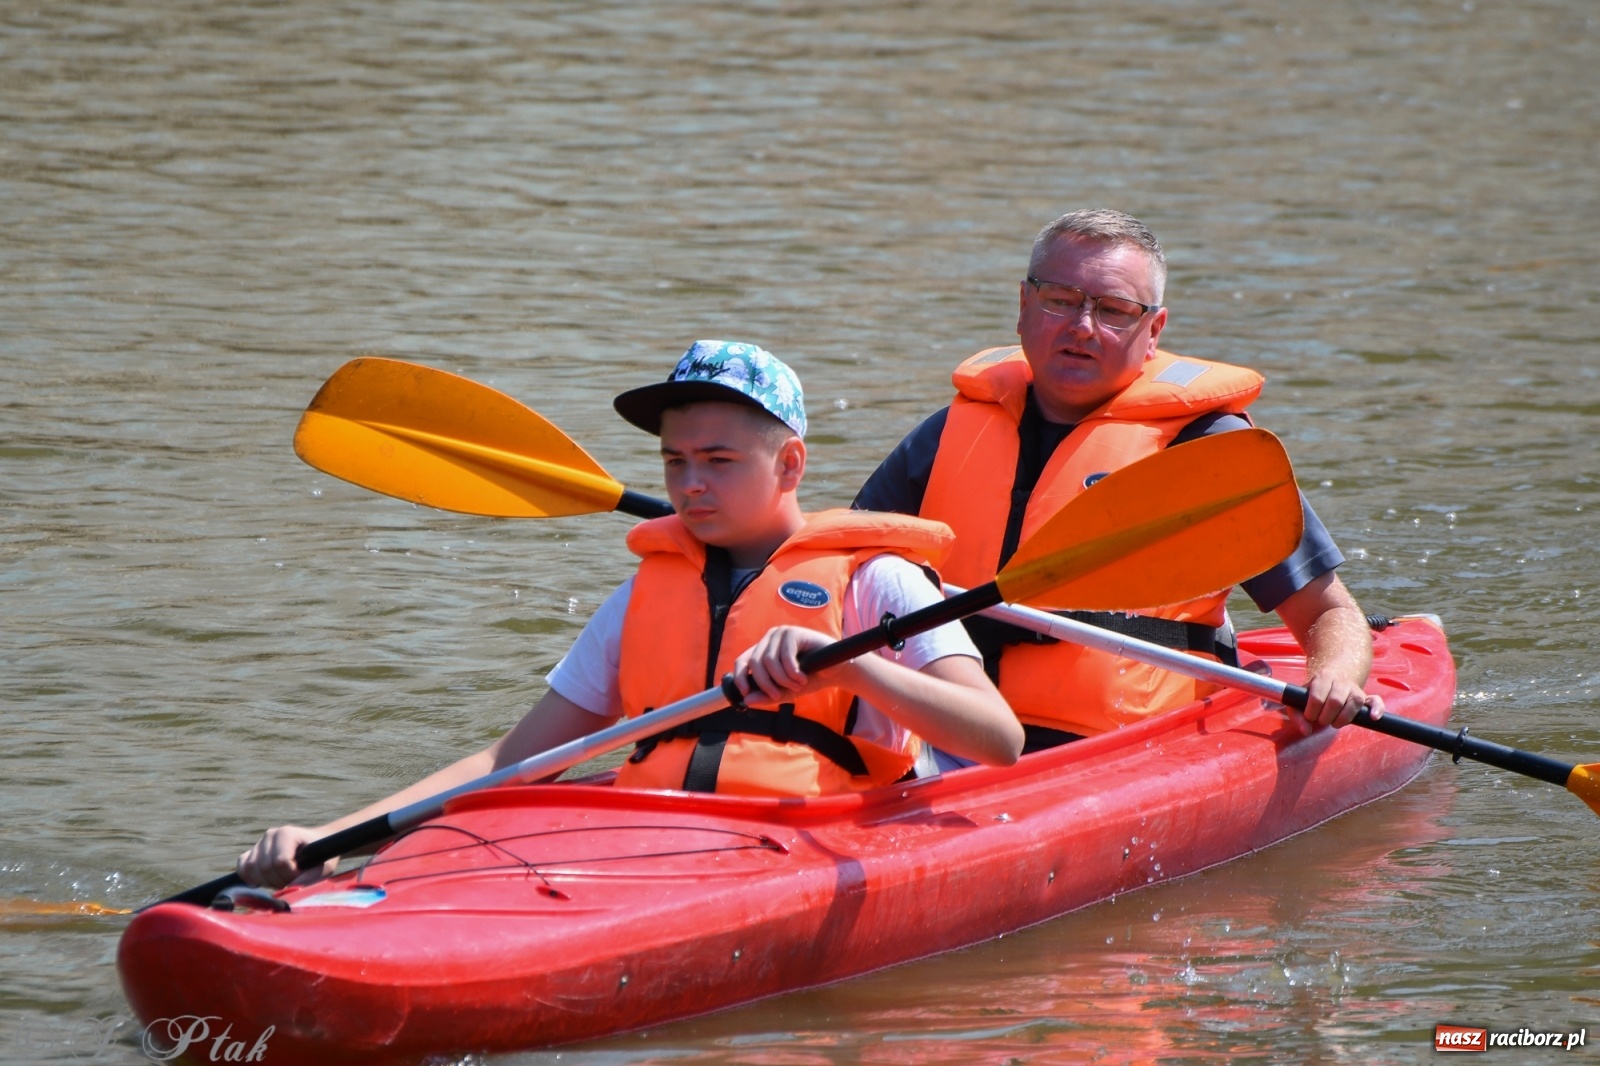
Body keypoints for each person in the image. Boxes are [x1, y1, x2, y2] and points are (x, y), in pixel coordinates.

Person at [240, 340, 1022, 889]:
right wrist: (337, 837)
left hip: (814, 844)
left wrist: (853, 662)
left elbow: (998, 740)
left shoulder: (878, 582)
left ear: (790, 465)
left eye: (719, 461)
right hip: (647, 847)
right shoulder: (647, 592)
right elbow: (513, 759)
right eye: (675, 463)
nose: (691, 487)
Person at [854, 209, 1384, 751]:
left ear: (1153, 330)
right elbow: (843, 572)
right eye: (1060, 299)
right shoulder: (949, 432)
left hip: (1118, 745)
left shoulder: (1209, 449)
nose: (1082, 327)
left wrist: (1336, 677)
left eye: (1114, 311)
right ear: (1022, 306)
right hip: (948, 726)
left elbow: (1328, 613)